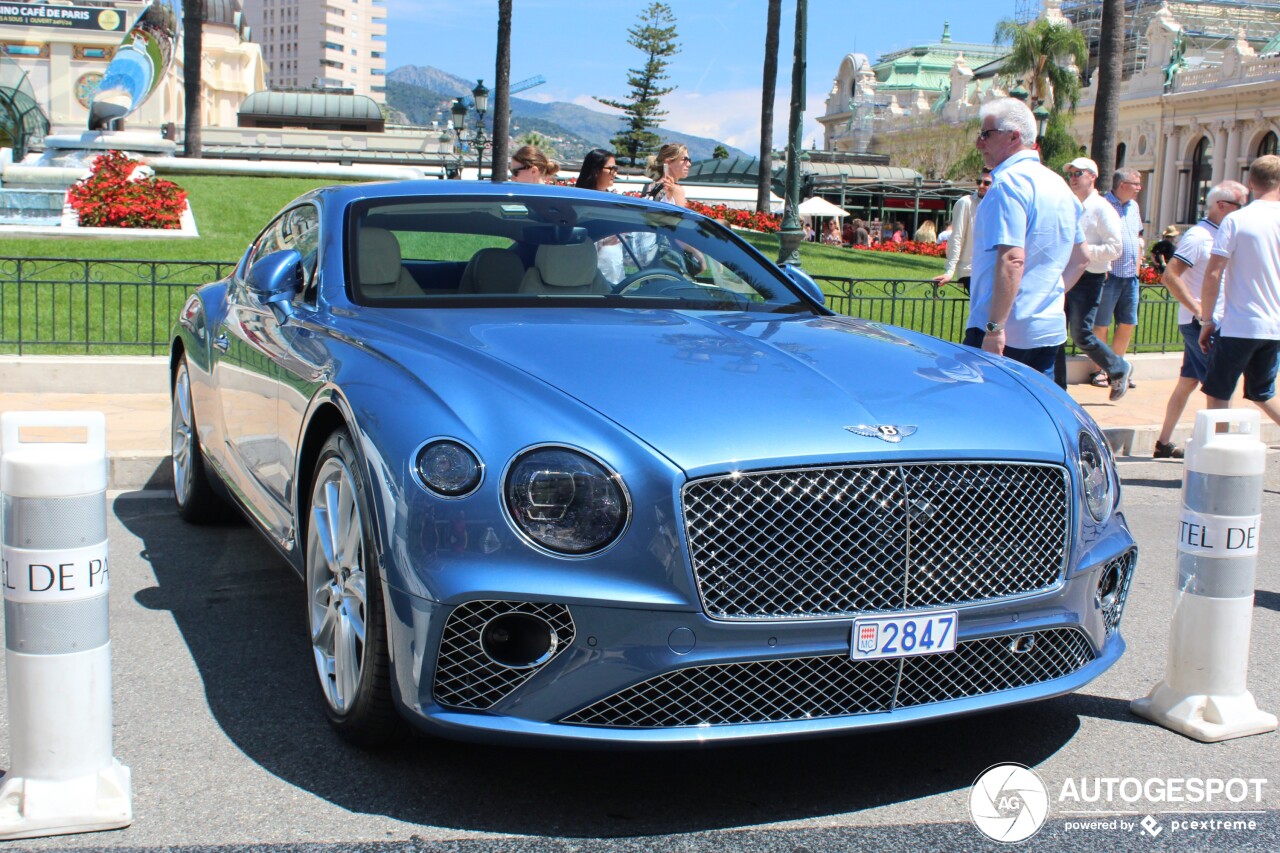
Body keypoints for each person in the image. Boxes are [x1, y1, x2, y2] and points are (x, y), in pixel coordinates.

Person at [965, 98, 1087, 379]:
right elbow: (1083, 257)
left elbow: (1012, 258)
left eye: (986, 134)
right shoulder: (1059, 185)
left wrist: (995, 328)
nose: (979, 143)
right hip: (1048, 327)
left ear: (1013, 137)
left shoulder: (1008, 184)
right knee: (1036, 415)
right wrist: (1047, 293)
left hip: (1003, 332)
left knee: (988, 417)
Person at [1153, 180, 1249, 457]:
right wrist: (1199, 310)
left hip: (1205, 321)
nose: (1243, 211)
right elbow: (1170, 275)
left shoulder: (1221, 234)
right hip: (1203, 323)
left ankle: (1163, 442)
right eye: (1239, 205)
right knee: (1219, 386)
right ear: (1221, 205)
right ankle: (1216, 450)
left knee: (1189, 381)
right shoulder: (1199, 237)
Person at [1198, 155, 1280, 426]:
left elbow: (1213, 274)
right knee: (1262, 393)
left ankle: (1220, 455)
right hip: (1274, 325)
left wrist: (1207, 320)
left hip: (1239, 324)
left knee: (1218, 393)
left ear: (1250, 182)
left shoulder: (1236, 220)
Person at [1061, 156, 1129, 401]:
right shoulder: (1071, 204)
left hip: (1089, 277)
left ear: (1093, 176)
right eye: (1071, 174)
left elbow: (1115, 248)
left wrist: (1085, 252)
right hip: (1068, 272)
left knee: (1081, 334)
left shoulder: (1102, 208)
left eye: (1079, 173)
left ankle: (1118, 368)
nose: (1074, 178)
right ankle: (1058, 386)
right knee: (1057, 329)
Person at [1091, 167, 1145, 388]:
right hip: (1109, 275)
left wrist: (1139, 265)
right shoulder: (1103, 206)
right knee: (1101, 324)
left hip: (1130, 276)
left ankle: (1118, 368)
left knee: (1127, 322)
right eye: (1136, 184)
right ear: (1122, 185)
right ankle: (1101, 370)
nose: (1139, 188)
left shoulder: (1134, 207)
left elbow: (1138, 236)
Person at [933, 168, 992, 292]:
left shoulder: (1000, 205)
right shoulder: (966, 203)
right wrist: (949, 271)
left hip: (993, 272)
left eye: (986, 183)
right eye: (978, 181)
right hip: (971, 272)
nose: (981, 186)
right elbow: (956, 238)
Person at [575, 148, 624, 284]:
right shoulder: (578, 202)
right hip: (587, 275)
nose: (615, 173)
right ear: (596, 171)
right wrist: (605, 239)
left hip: (614, 276)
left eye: (616, 168)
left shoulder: (612, 201)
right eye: (611, 168)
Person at [642, 143, 691, 207]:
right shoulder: (676, 190)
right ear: (668, 161)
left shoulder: (648, 186)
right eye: (684, 159)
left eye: (689, 160)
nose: (689, 164)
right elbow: (677, 216)